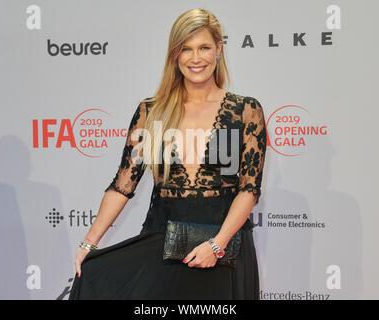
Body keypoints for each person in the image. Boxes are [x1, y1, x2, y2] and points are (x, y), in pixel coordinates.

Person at [68, 8, 267, 300]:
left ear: (219, 49)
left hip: (225, 248)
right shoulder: (152, 112)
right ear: (174, 54)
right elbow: (123, 185)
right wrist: (89, 243)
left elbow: (249, 190)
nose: (195, 58)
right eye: (185, 49)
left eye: (204, 48)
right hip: (162, 243)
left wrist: (217, 244)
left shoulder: (245, 110)